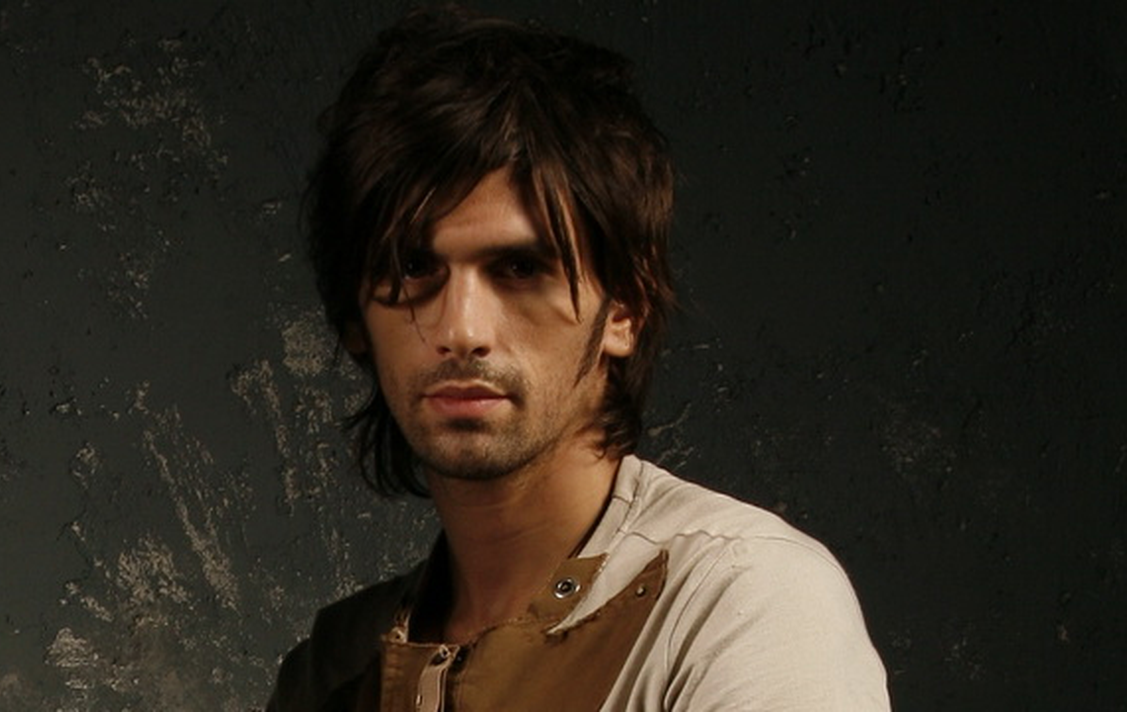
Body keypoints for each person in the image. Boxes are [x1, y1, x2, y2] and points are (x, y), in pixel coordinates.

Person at [267, 6, 890, 710]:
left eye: (519, 268)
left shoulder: (739, 598)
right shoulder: (335, 667)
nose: (462, 329)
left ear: (624, 309)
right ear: (355, 318)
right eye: (415, 269)